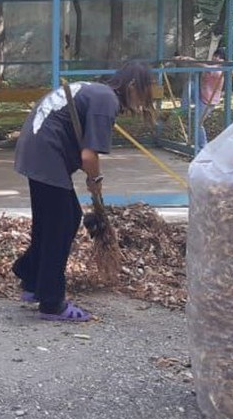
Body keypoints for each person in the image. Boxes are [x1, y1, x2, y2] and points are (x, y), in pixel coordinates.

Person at [10, 59, 154, 323]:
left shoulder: (97, 91)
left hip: (35, 148)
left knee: (50, 221)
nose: (145, 100)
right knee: (63, 223)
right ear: (132, 85)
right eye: (145, 91)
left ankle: (31, 277)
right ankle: (51, 303)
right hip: (45, 152)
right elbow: (89, 156)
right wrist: (95, 178)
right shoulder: (107, 100)